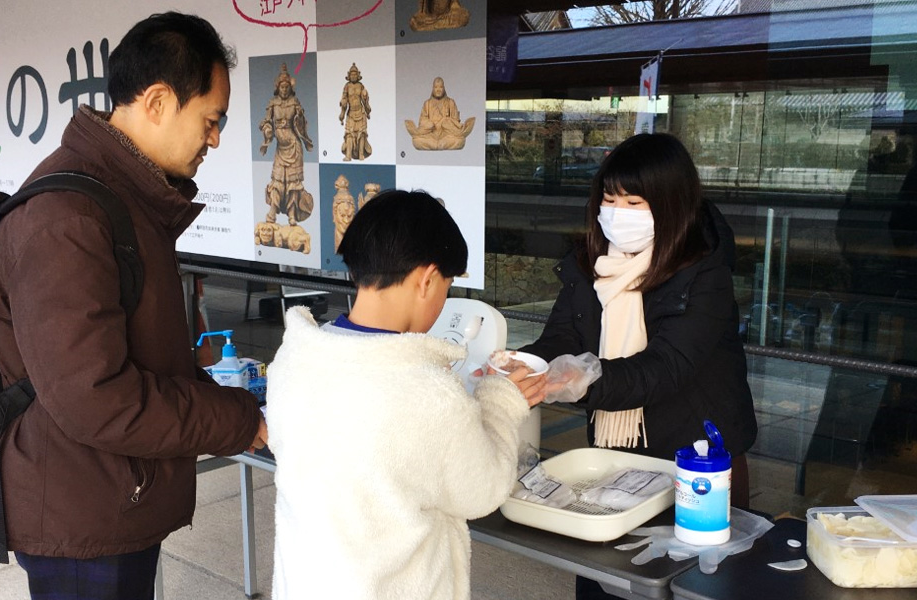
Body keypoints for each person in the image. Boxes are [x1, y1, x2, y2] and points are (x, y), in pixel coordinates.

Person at [0, 12, 266, 600]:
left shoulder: (119, 198)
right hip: (81, 512)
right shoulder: (67, 218)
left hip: (109, 495)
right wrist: (238, 420)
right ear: (157, 102)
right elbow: (96, 397)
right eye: (211, 119)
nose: (215, 139)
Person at [266, 190, 546, 600]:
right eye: (447, 286)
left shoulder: (295, 357)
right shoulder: (427, 392)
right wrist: (501, 403)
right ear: (428, 279)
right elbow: (482, 490)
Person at [518, 133, 756, 600]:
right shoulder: (592, 263)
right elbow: (562, 338)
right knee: (603, 579)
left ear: (670, 204)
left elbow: (666, 368)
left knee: (683, 586)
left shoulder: (704, 272)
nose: (617, 212)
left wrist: (583, 383)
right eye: (609, 198)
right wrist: (521, 365)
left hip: (697, 465)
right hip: (613, 459)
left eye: (633, 200)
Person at [259, 63, 315, 225]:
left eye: (287, 87)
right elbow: (266, 122)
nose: (284, 90)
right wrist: (268, 131)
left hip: (294, 146)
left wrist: (299, 118)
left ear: (290, 88)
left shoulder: (295, 103)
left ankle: (291, 214)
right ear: (278, 87)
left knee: (293, 183)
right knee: (277, 180)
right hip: (280, 148)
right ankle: (272, 212)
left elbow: (303, 124)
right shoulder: (273, 103)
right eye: (282, 87)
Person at [404, 77, 475, 151]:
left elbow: (456, 121)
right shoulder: (427, 103)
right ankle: (438, 144)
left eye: (440, 87)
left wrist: (447, 122)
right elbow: (422, 121)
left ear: (444, 88)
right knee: (417, 141)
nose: (438, 90)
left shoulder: (451, 102)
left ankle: (437, 144)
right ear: (433, 89)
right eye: (436, 87)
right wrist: (428, 124)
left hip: (446, 136)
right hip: (430, 135)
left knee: (460, 141)